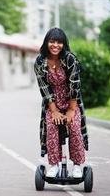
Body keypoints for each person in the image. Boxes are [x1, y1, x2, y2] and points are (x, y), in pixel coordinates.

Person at [34, 28, 88, 178]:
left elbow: (75, 84)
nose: (55, 45)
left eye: (59, 42)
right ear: (47, 42)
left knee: (75, 127)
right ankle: (54, 165)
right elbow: (43, 87)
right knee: (51, 128)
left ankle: (77, 166)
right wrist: (54, 111)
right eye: (52, 41)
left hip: (72, 101)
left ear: (64, 44)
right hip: (52, 103)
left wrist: (71, 110)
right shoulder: (40, 61)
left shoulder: (70, 59)